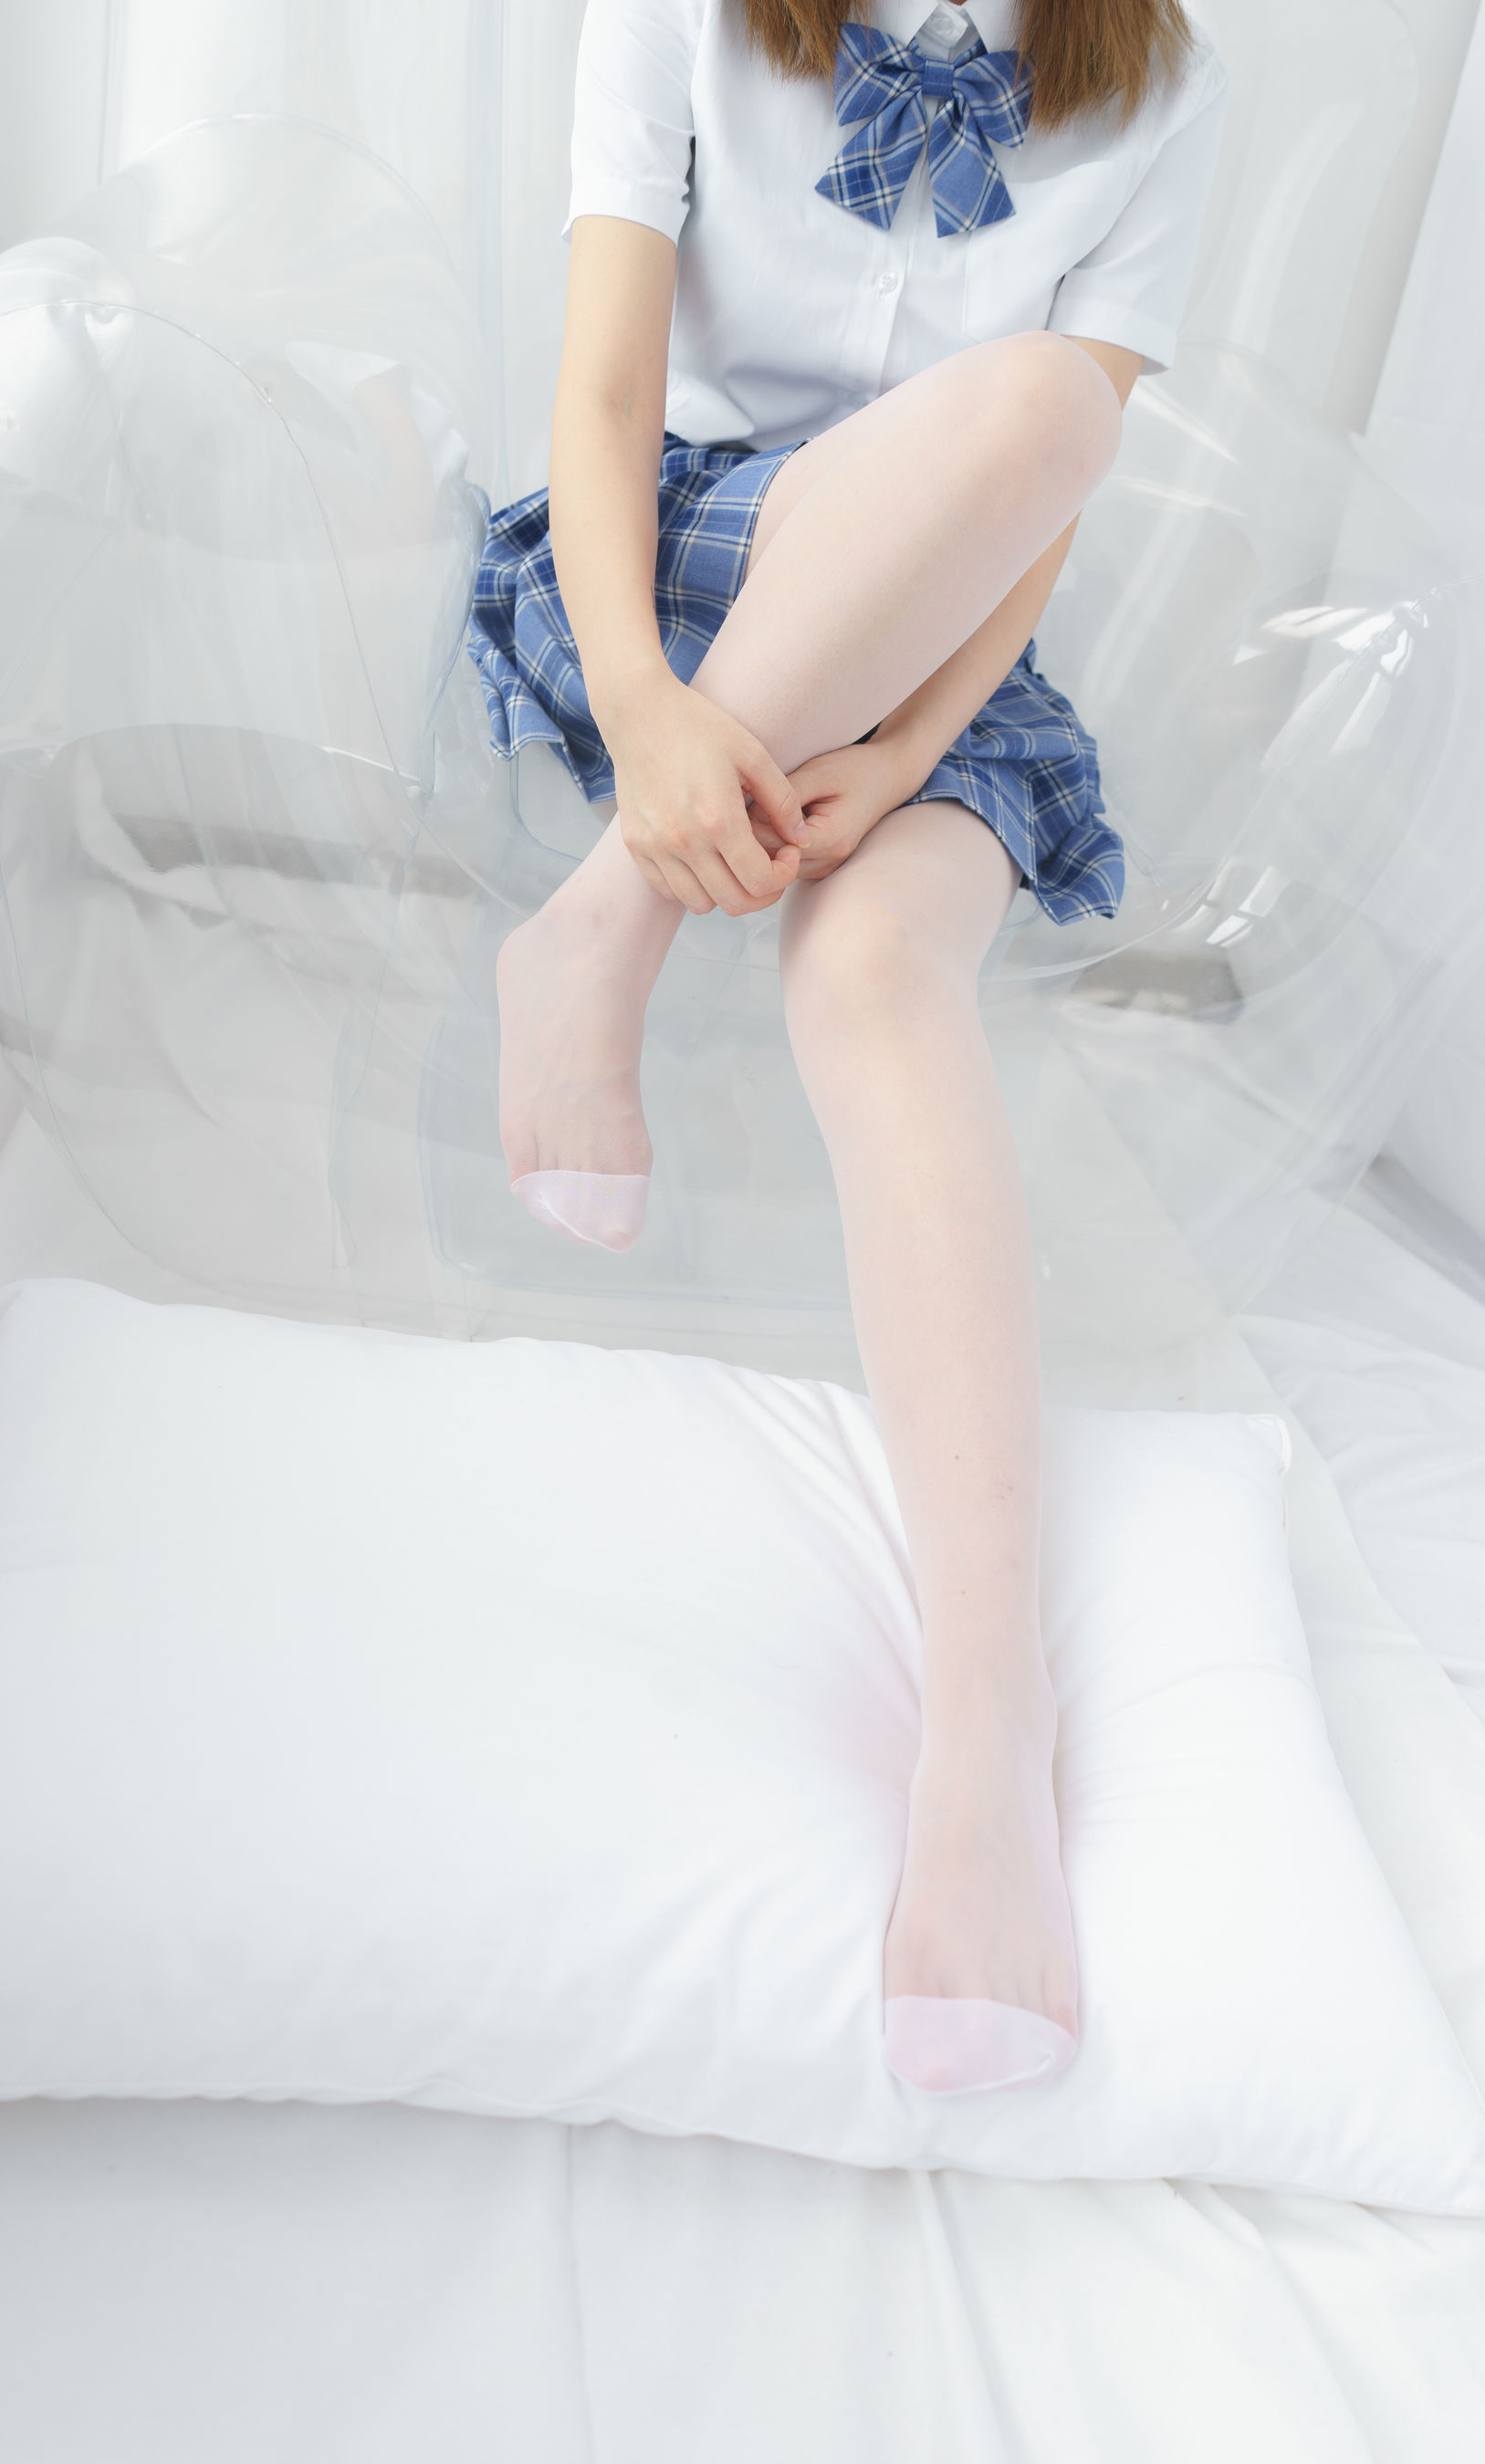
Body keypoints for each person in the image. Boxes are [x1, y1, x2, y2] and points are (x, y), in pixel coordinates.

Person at [467, 0, 1228, 2094]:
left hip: (946, 643)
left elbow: (1041, 499)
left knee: (886, 970)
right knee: (1032, 399)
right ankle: (614, 909)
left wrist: (903, 754)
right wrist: (645, 710)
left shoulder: (1167, 84)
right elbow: (604, 392)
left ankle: (987, 1732)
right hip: (687, 573)